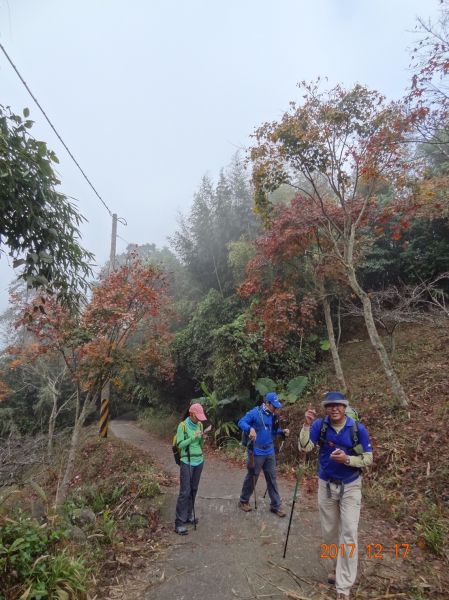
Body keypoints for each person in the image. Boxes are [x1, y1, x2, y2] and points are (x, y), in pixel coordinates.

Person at [298, 391, 373, 600]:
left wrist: (347, 460)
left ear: (345, 406)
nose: (334, 409)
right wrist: (305, 425)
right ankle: (333, 568)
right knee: (329, 532)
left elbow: (368, 458)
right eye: (330, 406)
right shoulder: (319, 426)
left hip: (351, 486)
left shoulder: (357, 429)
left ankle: (344, 586)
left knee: (348, 532)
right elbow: (305, 448)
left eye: (338, 405)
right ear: (326, 408)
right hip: (326, 485)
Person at [238, 391, 289, 516]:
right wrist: (250, 428)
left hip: (269, 450)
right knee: (252, 476)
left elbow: (270, 431)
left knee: (272, 478)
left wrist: (282, 432)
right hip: (256, 451)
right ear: (267, 403)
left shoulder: (273, 416)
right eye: (274, 406)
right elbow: (241, 422)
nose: (276, 408)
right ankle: (243, 501)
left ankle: (276, 506)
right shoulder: (255, 413)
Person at [174, 402, 208, 535]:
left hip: (199, 460)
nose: (199, 419)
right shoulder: (182, 426)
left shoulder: (200, 424)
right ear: (191, 414)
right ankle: (179, 522)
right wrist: (193, 437)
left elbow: (200, 444)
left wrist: (201, 437)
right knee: (185, 491)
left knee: (193, 490)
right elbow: (180, 444)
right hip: (186, 461)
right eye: (197, 416)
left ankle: (188, 516)